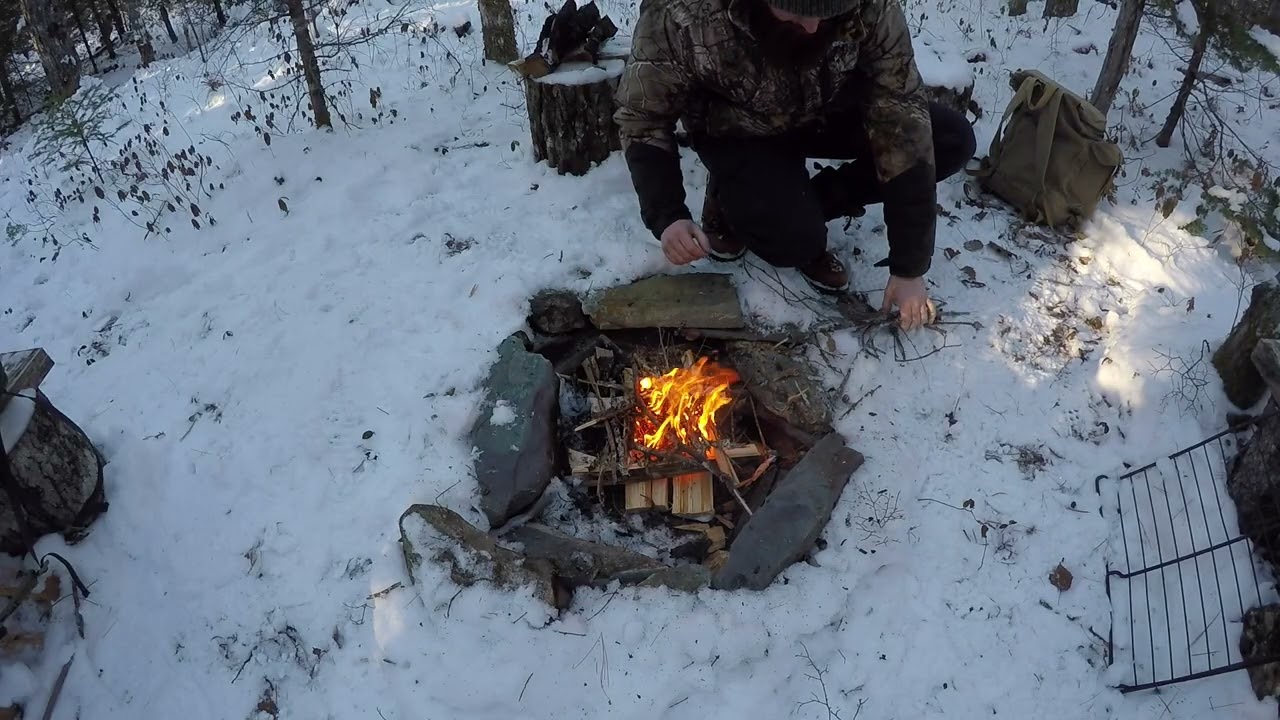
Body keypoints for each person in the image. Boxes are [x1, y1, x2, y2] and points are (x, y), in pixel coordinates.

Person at [613, 0, 977, 330]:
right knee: (794, 243)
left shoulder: (869, 6)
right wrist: (668, 215)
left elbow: (901, 113)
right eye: (798, 12)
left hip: (825, 110)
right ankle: (736, 203)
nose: (814, 27)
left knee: (949, 140)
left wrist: (909, 267)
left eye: (828, 13)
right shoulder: (683, 12)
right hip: (738, 127)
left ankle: (805, 203)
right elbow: (643, 116)